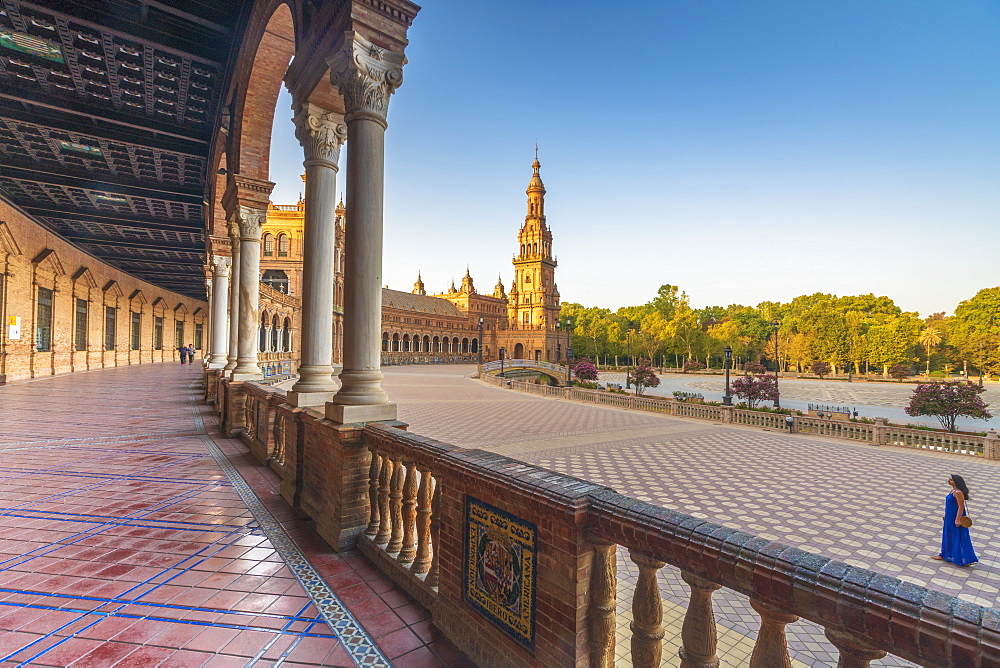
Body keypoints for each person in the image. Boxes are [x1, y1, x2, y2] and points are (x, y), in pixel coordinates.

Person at [932, 474, 978, 566]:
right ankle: (944, 554)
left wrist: (957, 520)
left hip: (955, 517)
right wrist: (946, 515)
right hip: (950, 517)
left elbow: (961, 507)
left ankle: (965, 558)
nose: (949, 481)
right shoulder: (953, 490)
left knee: (958, 536)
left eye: (951, 480)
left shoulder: (958, 492)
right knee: (948, 535)